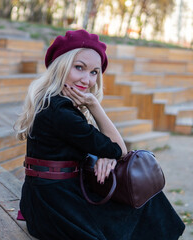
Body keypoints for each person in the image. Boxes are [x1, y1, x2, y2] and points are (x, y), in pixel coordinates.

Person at [14, 29, 185, 240]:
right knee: (145, 200)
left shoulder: (50, 103)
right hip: (55, 206)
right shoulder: (61, 112)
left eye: (94, 72)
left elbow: (94, 149)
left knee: (142, 198)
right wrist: (95, 106)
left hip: (48, 197)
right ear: (61, 67)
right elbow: (118, 149)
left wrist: (102, 156)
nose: (87, 80)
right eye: (79, 68)